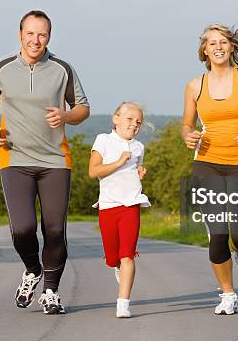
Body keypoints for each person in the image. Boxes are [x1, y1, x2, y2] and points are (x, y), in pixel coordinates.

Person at [0, 10, 90, 315]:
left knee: (54, 230)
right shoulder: (2, 68)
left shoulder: (62, 69)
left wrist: (66, 115)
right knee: (22, 229)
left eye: (41, 34)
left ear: (49, 37)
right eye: (30, 33)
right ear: (20, 35)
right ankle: (32, 269)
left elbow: (83, 108)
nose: (35, 40)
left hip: (55, 160)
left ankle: (51, 292)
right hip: (14, 158)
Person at [182, 24, 238, 315]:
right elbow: (187, 125)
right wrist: (188, 135)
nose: (218, 47)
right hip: (206, 162)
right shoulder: (195, 86)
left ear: (231, 47)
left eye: (223, 42)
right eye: (212, 43)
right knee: (217, 232)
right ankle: (228, 293)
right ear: (204, 50)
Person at [88, 102, 151, 318]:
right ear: (116, 118)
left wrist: (139, 172)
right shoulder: (103, 140)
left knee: (128, 255)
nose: (134, 125)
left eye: (138, 122)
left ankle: (123, 303)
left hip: (131, 204)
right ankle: (116, 265)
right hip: (108, 205)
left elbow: (134, 169)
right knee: (113, 258)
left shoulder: (139, 147)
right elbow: (93, 171)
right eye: (129, 119)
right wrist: (118, 162)